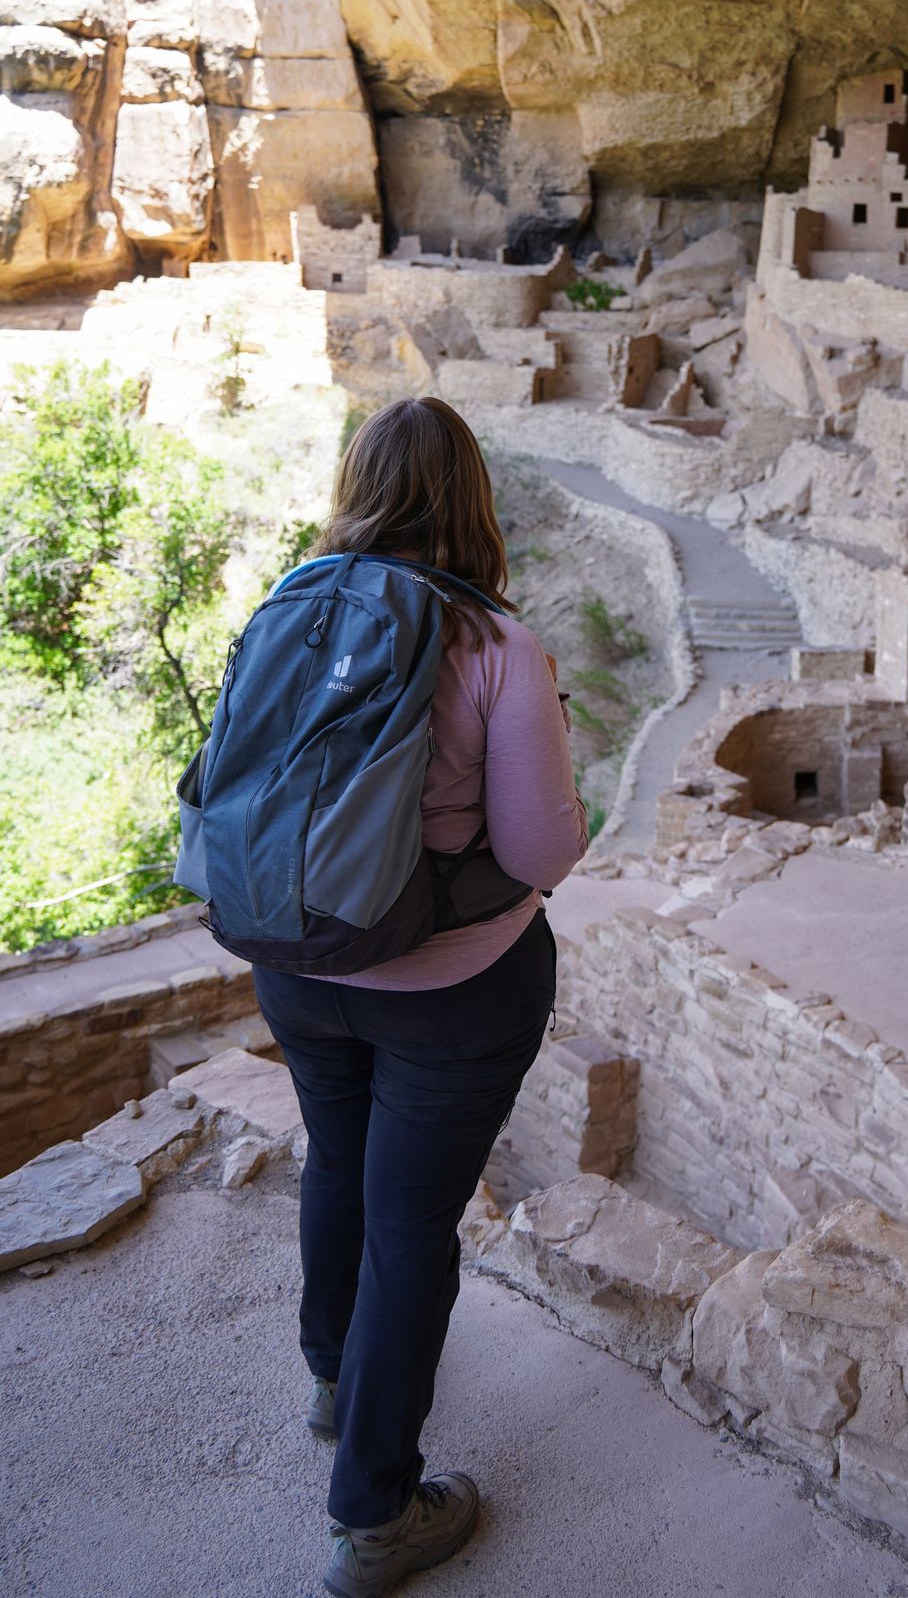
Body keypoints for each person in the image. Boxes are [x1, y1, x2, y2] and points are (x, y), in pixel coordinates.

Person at [252, 396, 589, 1598]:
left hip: (295, 964)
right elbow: (542, 849)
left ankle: (332, 1379)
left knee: (336, 1166)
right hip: (446, 993)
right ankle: (376, 1513)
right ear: (472, 501)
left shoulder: (291, 604)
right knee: (409, 1231)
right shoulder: (494, 645)